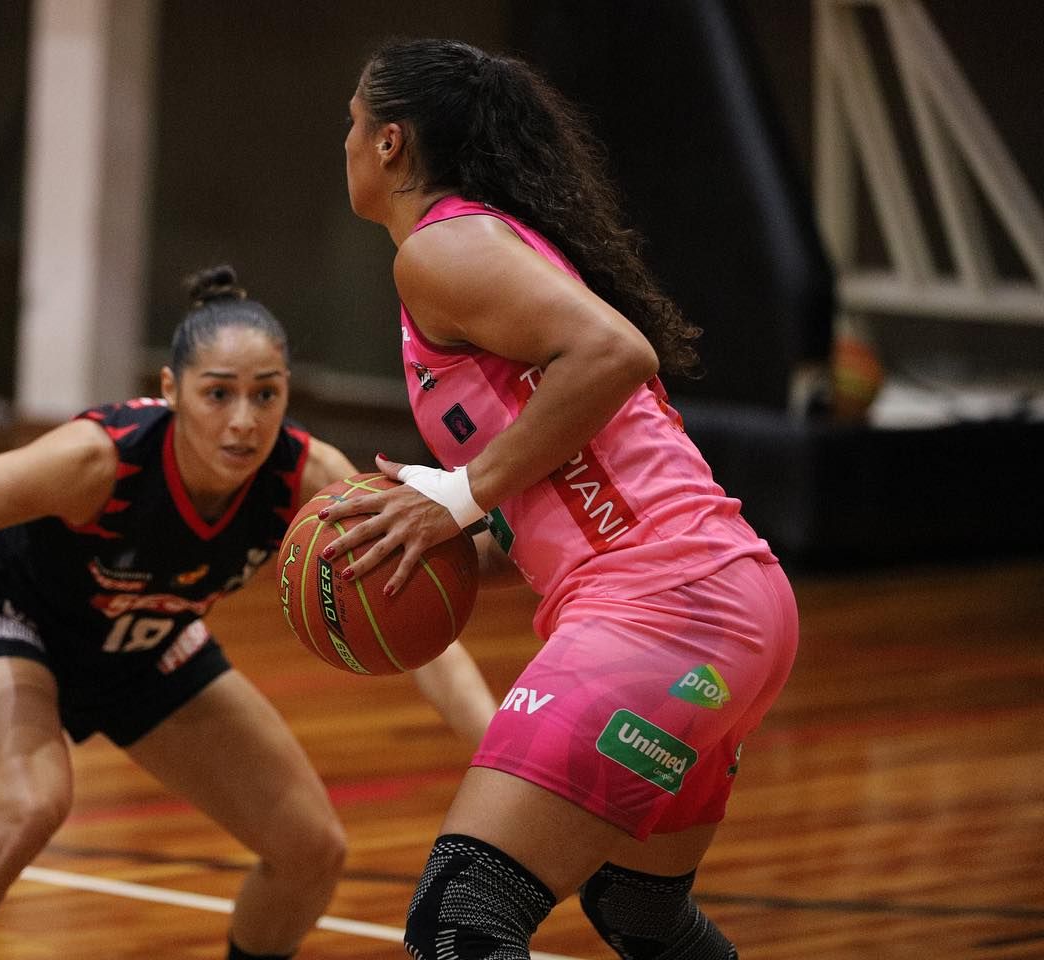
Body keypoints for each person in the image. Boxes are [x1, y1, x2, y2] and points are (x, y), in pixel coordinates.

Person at [0, 265, 497, 960]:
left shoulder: (308, 480)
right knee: (27, 805)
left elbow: (408, 619)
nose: (245, 420)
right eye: (218, 394)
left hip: (141, 642)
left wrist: (499, 750)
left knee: (311, 849)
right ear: (169, 389)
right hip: (5, 618)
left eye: (267, 394)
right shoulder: (96, 461)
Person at [327, 39, 799, 959]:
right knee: (641, 910)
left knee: (463, 922)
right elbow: (578, 452)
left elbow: (616, 355)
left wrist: (463, 494)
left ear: (389, 144)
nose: (340, 141)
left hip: (668, 605)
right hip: (724, 603)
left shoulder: (443, 248)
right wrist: (459, 511)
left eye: (350, 121)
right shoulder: (478, 245)